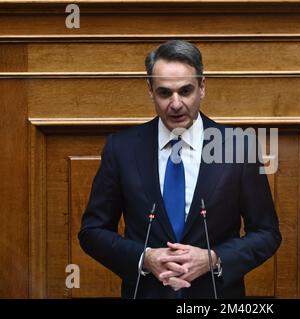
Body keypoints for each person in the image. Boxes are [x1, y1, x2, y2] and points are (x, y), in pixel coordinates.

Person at [78, 40, 281, 299]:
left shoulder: (237, 147)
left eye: (185, 91)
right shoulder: (122, 149)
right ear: (150, 90)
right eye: (164, 93)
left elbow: (267, 233)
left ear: (202, 87)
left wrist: (214, 259)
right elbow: (92, 232)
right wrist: (145, 258)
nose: (176, 104)